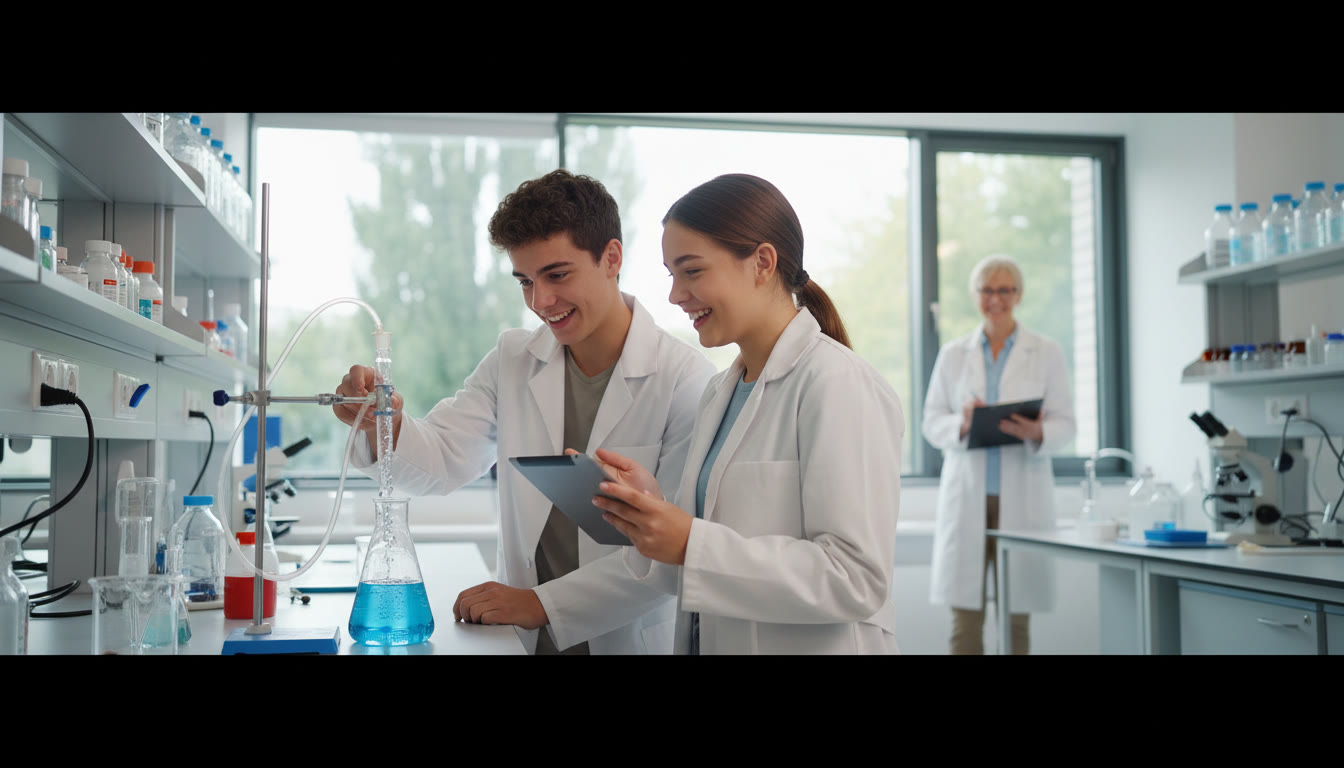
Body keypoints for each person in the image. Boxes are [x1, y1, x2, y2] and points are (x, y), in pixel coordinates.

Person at [333, 169, 715, 655]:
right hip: (522, 640)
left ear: (611, 258)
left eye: (557, 275)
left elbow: (673, 553)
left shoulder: (686, 379)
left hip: (628, 640)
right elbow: (446, 460)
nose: (541, 302)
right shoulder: (513, 359)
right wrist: (383, 425)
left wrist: (541, 603)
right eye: (525, 281)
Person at [588, 173, 904, 654]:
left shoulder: (836, 384)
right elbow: (706, 563)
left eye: (691, 271)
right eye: (672, 274)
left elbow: (855, 578)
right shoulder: (721, 392)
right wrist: (656, 512)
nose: (675, 294)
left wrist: (691, 541)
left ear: (762, 262)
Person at [921, 254, 1076, 655]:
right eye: (987, 290)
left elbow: (1066, 424)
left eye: (1005, 290)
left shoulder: (1046, 351)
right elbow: (931, 421)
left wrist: (1037, 430)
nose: (996, 299)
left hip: (1020, 497)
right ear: (975, 296)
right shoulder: (954, 354)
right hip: (969, 496)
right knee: (964, 623)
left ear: (1018, 295)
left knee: (1015, 619)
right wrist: (964, 423)